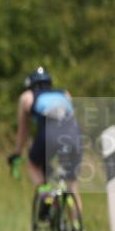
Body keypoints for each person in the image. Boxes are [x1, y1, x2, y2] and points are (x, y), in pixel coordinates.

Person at [8, 66, 83, 214]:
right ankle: (77, 225)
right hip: (73, 135)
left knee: (33, 164)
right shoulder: (64, 93)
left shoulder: (27, 97)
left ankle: (46, 195)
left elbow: (23, 131)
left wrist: (17, 152)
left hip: (49, 134)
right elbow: (73, 118)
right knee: (72, 187)